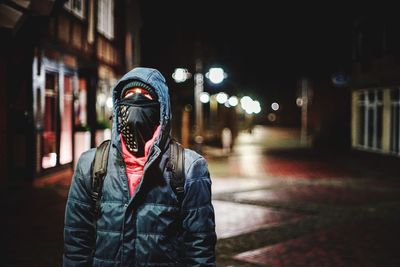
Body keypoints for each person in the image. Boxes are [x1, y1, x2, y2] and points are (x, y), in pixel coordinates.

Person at [63, 67, 216, 266]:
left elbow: (199, 248)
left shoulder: (189, 168)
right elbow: (77, 242)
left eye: (145, 95)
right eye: (129, 95)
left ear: (161, 108)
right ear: (118, 107)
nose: (136, 101)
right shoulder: (91, 164)